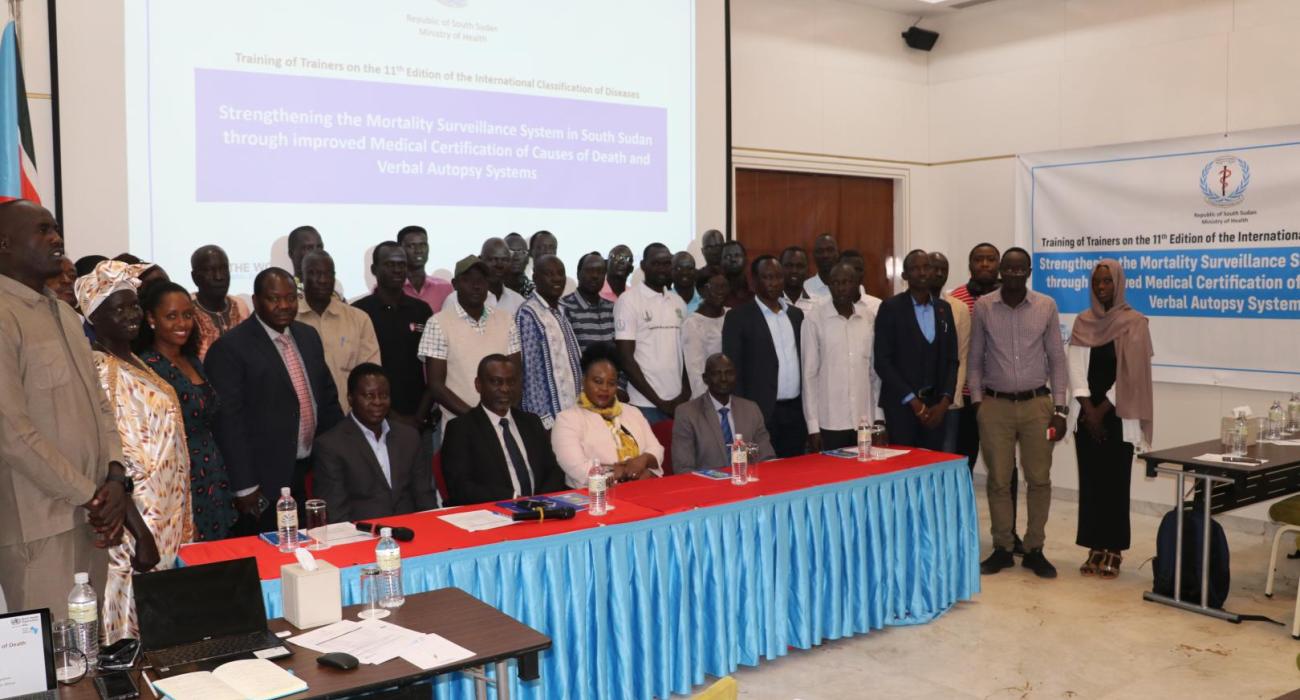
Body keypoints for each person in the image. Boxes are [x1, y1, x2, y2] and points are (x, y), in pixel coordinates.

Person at [0, 201, 137, 624]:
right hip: (39, 524)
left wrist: (115, 477)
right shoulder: (4, 316)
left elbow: (99, 405)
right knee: (52, 669)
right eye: (43, 230)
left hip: (92, 516)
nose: (56, 238)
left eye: (56, 228)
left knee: (87, 653)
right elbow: (12, 432)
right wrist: (90, 495)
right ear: (4, 244)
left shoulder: (63, 312)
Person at [78, 261, 183, 643]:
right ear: (94, 316)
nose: (131, 315)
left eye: (134, 306)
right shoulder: (102, 368)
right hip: (134, 527)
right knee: (127, 627)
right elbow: (118, 463)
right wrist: (141, 534)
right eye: (117, 309)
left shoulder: (132, 360)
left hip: (164, 519)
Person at [205, 267, 344, 535]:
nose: (284, 305)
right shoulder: (231, 348)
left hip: (311, 470)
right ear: (256, 301)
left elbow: (327, 400)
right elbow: (228, 424)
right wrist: (244, 485)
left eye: (290, 298)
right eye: (274, 298)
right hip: (263, 479)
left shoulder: (308, 336)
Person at [968, 247, 1070, 579]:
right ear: (1001, 271)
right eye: (1007, 268)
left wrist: (1061, 409)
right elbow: (975, 358)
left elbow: (1057, 358)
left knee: (1039, 479)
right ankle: (1001, 548)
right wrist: (979, 404)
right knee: (998, 480)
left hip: (1036, 406)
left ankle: (1034, 548)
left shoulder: (1046, 306)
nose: (1013, 273)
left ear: (1028, 271)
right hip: (995, 406)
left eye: (1019, 269)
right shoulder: (984, 307)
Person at [1068, 260, 1152, 579]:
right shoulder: (1082, 321)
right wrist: (1087, 409)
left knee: (1115, 484)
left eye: (1107, 282)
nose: (1102, 287)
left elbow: (1132, 374)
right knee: (1091, 483)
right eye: (1097, 282)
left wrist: (1101, 410)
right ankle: (1094, 546)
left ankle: (1114, 548)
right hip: (1086, 415)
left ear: (1118, 284)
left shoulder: (1135, 323)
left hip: (1118, 416)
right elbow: (1075, 367)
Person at [136, 281, 238, 542]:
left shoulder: (191, 359)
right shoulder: (146, 368)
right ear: (151, 318)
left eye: (187, 315)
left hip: (211, 470)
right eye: (171, 316)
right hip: (176, 478)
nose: (182, 323)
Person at [949, 242, 1023, 551]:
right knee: (960, 468)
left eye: (990, 259)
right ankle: (959, 534)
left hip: (999, 400)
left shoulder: (1012, 299)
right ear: (970, 264)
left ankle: (1007, 534)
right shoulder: (955, 300)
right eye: (978, 259)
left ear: (999, 264)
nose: (985, 264)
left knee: (1005, 471)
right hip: (964, 401)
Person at [312, 363, 439, 521]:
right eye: (369, 396)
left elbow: (425, 498)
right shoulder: (330, 445)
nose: (378, 402)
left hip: (411, 532)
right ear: (350, 398)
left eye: (384, 395)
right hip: (361, 537)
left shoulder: (409, 437)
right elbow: (335, 513)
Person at [441, 355, 566, 505]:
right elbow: (460, 487)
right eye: (496, 382)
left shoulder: (531, 422)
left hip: (540, 510)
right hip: (493, 514)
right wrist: (514, 499)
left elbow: (554, 471)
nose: (505, 389)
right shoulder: (461, 428)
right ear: (478, 385)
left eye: (511, 382)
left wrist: (540, 501)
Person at [416, 256, 521, 433]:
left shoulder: (506, 320)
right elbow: (436, 385)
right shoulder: (438, 323)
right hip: (460, 426)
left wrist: (501, 416)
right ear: (455, 284)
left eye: (481, 280)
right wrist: (477, 419)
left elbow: (516, 375)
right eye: (468, 280)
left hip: (504, 424)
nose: (476, 285)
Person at [873, 250, 960, 451]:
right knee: (903, 469)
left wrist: (945, 402)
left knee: (932, 470)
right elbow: (883, 362)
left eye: (926, 267)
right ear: (905, 276)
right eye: (915, 268)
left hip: (937, 409)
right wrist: (914, 402)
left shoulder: (943, 309)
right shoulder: (890, 308)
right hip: (902, 407)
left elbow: (952, 360)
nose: (922, 273)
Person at [723, 255, 806, 457]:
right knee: (763, 472)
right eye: (767, 277)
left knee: (794, 473)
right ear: (754, 281)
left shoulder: (796, 315)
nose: (774, 282)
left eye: (778, 277)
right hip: (759, 411)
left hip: (795, 411)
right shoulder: (738, 317)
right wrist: (742, 414)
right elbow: (734, 370)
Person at [552, 342, 664, 487]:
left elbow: (656, 449)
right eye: (597, 382)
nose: (604, 388)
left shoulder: (632, 412)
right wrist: (624, 471)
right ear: (584, 380)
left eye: (611, 383)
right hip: (594, 498)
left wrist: (642, 460)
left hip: (641, 489)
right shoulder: (567, 419)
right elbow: (580, 470)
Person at [802, 261, 881, 451]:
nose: (841, 288)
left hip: (864, 421)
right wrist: (813, 428)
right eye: (836, 283)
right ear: (829, 285)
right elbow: (809, 376)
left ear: (856, 284)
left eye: (847, 282)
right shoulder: (814, 319)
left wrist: (879, 418)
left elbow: (874, 374)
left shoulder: (868, 317)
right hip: (830, 422)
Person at [352, 242, 434, 425]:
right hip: (372, 415)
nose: (397, 270)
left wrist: (419, 417)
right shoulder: (359, 312)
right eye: (390, 264)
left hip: (418, 417)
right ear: (374, 269)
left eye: (402, 264)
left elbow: (434, 367)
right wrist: (392, 417)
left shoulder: (421, 310)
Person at [296, 251, 381, 413]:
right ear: (301, 276)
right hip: (301, 418)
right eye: (314, 273)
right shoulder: (289, 320)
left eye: (328, 273)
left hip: (347, 418)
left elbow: (370, 374)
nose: (322, 280)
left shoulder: (358, 319)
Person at [614, 243, 689, 424]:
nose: (663, 269)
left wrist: (685, 393)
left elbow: (685, 353)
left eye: (667, 263)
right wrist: (659, 402)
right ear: (643, 265)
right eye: (656, 264)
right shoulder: (628, 301)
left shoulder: (678, 302)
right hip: (644, 404)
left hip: (678, 402)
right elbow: (626, 358)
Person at [672, 353, 774, 471]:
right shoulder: (687, 414)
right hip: (708, 487)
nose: (724, 379)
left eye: (729, 373)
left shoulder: (751, 409)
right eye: (716, 374)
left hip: (747, 483)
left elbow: (767, 458)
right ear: (705, 378)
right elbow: (683, 469)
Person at [516, 255, 583, 429]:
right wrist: (542, 421)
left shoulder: (562, 310)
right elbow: (529, 374)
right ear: (535, 278)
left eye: (560, 273)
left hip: (575, 414)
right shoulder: (528, 314)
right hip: (549, 421)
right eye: (549, 274)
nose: (556, 279)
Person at [930, 252, 970, 454]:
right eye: (933, 267)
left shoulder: (959, 308)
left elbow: (962, 356)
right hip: (917, 403)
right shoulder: (901, 306)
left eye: (943, 270)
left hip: (949, 401)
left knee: (946, 457)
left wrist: (950, 398)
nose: (938, 273)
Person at [190, 245, 249, 360]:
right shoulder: (187, 309)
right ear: (195, 277)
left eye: (223, 269)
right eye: (210, 270)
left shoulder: (240, 305)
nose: (219, 276)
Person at [443, 238, 525, 318]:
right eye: (493, 259)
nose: (499, 265)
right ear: (480, 259)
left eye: (505, 260)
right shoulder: (455, 300)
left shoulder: (518, 302)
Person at [682, 270, 729, 399]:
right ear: (701, 291)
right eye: (715, 287)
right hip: (708, 397)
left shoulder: (732, 315)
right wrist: (709, 403)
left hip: (732, 393)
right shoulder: (693, 324)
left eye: (724, 286)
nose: (720, 291)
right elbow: (695, 372)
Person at [560, 251, 616, 351]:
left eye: (600, 271)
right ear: (578, 274)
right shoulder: (564, 308)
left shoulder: (611, 308)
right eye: (589, 270)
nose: (595, 275)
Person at [398, 225, 453, 314]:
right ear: (399, 250)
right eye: (412, 246)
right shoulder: (390, 288)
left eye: (423, 245)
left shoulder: (445, 288)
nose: (418, 250)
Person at [804, 233, 839, 302]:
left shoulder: (850, 287)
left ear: (838, 254)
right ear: (814, 256)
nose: (825, 255)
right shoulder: (805, 287)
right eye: (820, 251)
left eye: (830, 250)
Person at [720, 240, 753, 308]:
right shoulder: (716, 292)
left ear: (745, 259)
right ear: (721, 261)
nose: (733, 259)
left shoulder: (755, 289)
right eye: (727, 256)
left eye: (737, 255)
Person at [780, 246, 813, 311]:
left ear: (807, 270)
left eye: (800, 266)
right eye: (789, 265)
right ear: (779, 268)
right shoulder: (770, 302)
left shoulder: (817, 304)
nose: (794, 271)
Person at [503, 232, 533, 297]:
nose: (516, 257)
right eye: (510, 252)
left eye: (522, 252)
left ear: (528, 258)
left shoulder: (536, 291)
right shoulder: (490, 290)